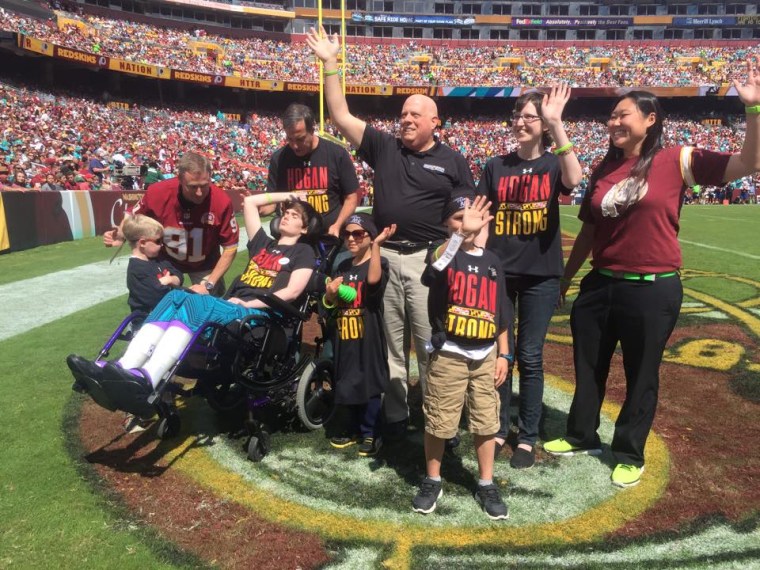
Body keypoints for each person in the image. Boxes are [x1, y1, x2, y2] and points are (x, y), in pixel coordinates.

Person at [543, 69, 760, 489]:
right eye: (610, 116)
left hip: (652, 288)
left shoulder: (677, 159)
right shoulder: (605, 167)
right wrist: (567, 280)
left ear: (650, 119)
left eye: (623, 114)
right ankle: (581, 435)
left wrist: (752, 107)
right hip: (600, 283)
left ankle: (628, 451)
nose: (613, 122)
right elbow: (589, 229)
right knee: (588, 366)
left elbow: (749, 162)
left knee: (642, 373)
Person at [307, 26, 476, 439]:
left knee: (432, 345)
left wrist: (453, 258)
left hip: (427, 261)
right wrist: (331, 64)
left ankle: (440, 422)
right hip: (383, 259)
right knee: (391, 347)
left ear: (435, 122)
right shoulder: (385, 147)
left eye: (414, 114)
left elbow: (466, 220)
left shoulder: (454, 161)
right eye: (402, 114)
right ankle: (397, 419)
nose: (405, 119)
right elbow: (340, 116)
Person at [68, 192, 318, 392]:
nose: (286, 216)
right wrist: (292, 195)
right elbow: (250, 203)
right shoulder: (263, 244)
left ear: (305, 229)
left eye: (295, 216)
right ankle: (123, 367)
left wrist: (248, 304)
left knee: (198, 302)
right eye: (286, 212)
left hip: (258, 315)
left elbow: (293, 292)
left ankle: (149, 377)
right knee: (176, 296)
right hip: (232, 309)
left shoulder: (304, 252)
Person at [476, 86, 583, 469]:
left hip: (541, 275)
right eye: (517, 115)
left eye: (529, 116)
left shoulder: (554, 164)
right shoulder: (495, 166)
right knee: (501, 353)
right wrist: (478, 262)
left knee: (530, 355)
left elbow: (575, 178)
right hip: (501, 274)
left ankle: (528, 435)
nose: (520, 122)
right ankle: (500, 424)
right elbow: (483, 221)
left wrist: (556, 123)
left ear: (542, 123)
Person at [412, 195, 510, 519]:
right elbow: (432, 271)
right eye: (456, 218)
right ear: (446, 224)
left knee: (486, 419)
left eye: (469, 218)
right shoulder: (444, 254)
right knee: (440, 419)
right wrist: (459, 236)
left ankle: (485, 482)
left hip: (484, 354)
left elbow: (501, 312)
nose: (465, 223)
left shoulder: (493, 261)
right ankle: (433, 478)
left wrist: (504, 354)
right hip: (450, 352)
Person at [103, 151, 239, 296]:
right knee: (156, 305)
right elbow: (133, 215)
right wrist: (121, 234)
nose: (199, 193)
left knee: (208, 309)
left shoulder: (221, 201)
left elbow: (230, 248)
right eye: (193, 187)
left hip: (205, 264)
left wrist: (209, 284)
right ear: (179, 178)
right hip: (166, 262)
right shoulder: (158, 192)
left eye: (204, 186)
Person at [324, 213, 394, 457]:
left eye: (358, 233)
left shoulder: (379, 263)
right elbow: (329, 305)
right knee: (346, 380)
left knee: (369, 383)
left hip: (368, 335)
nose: (351, 238)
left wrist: (376, 246)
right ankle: (352, 427)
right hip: (344, 333)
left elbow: (373, 284)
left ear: (369, 236)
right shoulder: (343, 266)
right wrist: (331, 295)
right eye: (347, 234)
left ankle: (371, 432)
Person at [260, 103, 360, 237]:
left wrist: (337, 225)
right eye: (290, 139)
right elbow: (272, 203)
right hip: (294, 240)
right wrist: (256, 208)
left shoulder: (337, 154)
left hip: (330, 238)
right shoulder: (279, 159)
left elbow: (352, 196)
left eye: (300, 139)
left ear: (312, 130)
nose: (295, 145)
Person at [122, 214, 183, 314]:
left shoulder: (159, 259)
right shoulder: (137, 269)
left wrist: (170, 280)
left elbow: (178, 274)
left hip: (167, 317)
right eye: (158, 241)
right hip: (147, 322)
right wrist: (174, 285)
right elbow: (159, 297)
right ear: (142, 243)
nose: (162, 244)